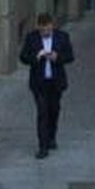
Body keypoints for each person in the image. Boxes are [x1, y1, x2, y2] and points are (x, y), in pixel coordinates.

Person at [19, 12, 75, 158]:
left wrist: (57, 57)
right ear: (38, 27)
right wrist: (36, 57)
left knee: (54, 109)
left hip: (56, 81)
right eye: (43, 30)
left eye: (48, 30)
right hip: (39, 82)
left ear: (52, 26)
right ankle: (42, 146)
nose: (45, 32)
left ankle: (51, 137)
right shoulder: (32, 38)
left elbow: (70, 56)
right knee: (42, 112)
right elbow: (23, 57)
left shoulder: (62, 37)